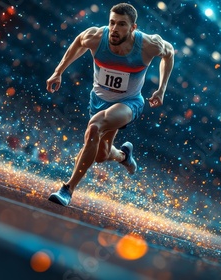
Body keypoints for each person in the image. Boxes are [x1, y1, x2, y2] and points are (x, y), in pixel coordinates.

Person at [46, 3, 174, 206]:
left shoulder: (149, 45)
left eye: (122, 24)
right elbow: (79, 42)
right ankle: (124, 156)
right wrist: (58, 71)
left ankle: (67, 189)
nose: (114, 29)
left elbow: (170, 53)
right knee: (100, 155)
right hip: (98, 101)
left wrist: (161, 89)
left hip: (129, 103)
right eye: (112, 23)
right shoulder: (96, 37)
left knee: (95, 127)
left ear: (133, 27)